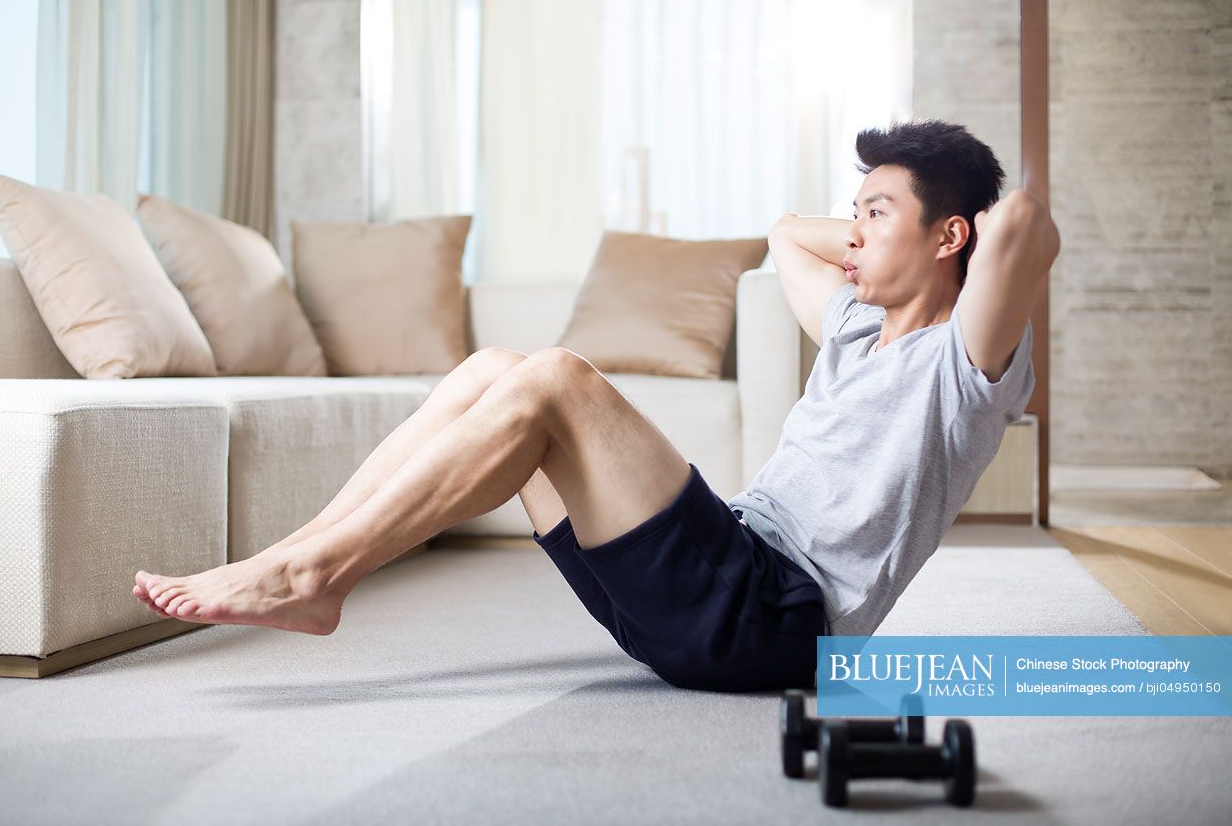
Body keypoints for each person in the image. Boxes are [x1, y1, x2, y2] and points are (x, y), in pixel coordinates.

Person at [132, 119, 1060, 693]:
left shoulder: (962, 368)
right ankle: (298, 561)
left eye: (874, 214)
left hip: (775, 617)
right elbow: (786, 235)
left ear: (949, 236)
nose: (848, 234)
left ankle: (313, 578)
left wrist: (941, 212)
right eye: (850, 212)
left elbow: (1021, 221)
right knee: (496, 365)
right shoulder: (857, 328)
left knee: (558, 378)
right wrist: (878, 223)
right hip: (697, 595)